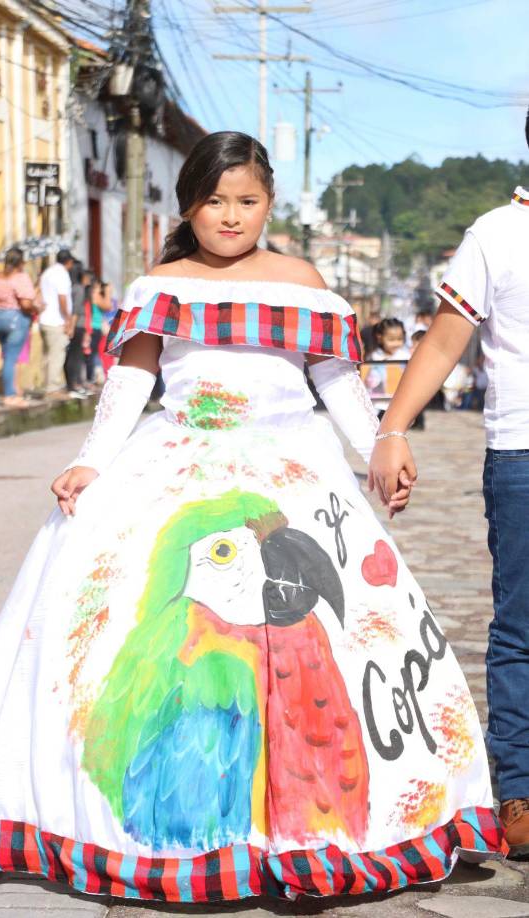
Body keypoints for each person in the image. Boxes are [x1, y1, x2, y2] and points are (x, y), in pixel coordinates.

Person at [0, 132, 505, 902]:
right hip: (175, 460)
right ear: (188, 206)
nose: (231, 216)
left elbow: (337, 381)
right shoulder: (160, 285)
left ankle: (322, 823)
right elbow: (132, 380)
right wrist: (92, 460)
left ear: (269, 203)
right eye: (214, 201)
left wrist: (379, 446)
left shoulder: (303, 283)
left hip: (293, 471)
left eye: (247, 201)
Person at [369, 112, 529, 859]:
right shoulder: (495, 234)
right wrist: (393, 428)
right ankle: (520, 790)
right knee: (522, 630)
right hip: (523, 454)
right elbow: (442, 342)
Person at [0, 247, 36, 408]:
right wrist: (36, 308)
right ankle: (10, 395)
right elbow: (26, 304)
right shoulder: (21, 278)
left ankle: (11, 392)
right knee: (11, 358)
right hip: (16, 319)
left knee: (7, 355)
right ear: (20, 263)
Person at [39, 248, 75, 398]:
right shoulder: (62, 274)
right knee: (57, 355)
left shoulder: (47, 273)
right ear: (69, 262)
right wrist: (68, 319)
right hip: (56, 320)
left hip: (44, 319)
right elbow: (62, 298)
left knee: (48, 355)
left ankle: (47, 385)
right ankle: (52, 388)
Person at [64, 262, 92, 399]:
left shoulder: (72, 287)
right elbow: (75, 310)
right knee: (75, 356)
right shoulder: (79, 289)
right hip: (77, 325)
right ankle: (73, 384)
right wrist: (72, 326)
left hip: (75, 324)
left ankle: (73, 383)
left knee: (73, 355)